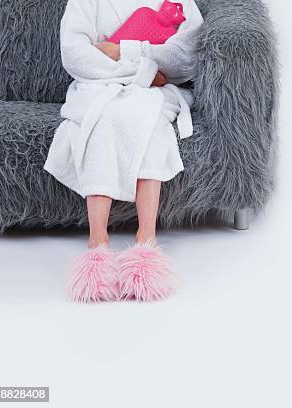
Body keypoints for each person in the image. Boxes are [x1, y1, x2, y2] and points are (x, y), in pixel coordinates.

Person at [44, 0, 204, 302]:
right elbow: (76, 55)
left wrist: (123, 51)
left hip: (155, 90)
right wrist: (142, 71)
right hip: (99, 86)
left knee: (147, 123)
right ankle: (97, 241)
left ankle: (146, 239)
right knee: (103, 120)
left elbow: (184, 58)